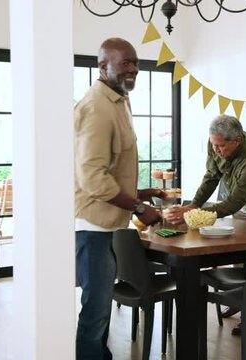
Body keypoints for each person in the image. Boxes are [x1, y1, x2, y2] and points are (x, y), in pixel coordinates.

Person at [73, 37, 164, 360]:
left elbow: (110, 169)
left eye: (135, 62)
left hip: (109, 222)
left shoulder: (118, 100)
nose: (134, 69)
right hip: (94, 225)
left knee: (100, 306)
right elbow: (92, 178)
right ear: (103, 66)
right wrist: (140, 207)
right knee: (96, 308)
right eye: (125, 63)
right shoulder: (96, 108)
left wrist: (143, 193)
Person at [165, 114, 246, 335]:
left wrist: (196, 212)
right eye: (213, 144)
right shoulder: (216, 142)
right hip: (235, 192)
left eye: (221, 146)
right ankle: (238, 300)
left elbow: (236, 202)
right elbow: (211, 176)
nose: (216, 150)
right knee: (236, 243)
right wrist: (194, 204)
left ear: (236, 140)